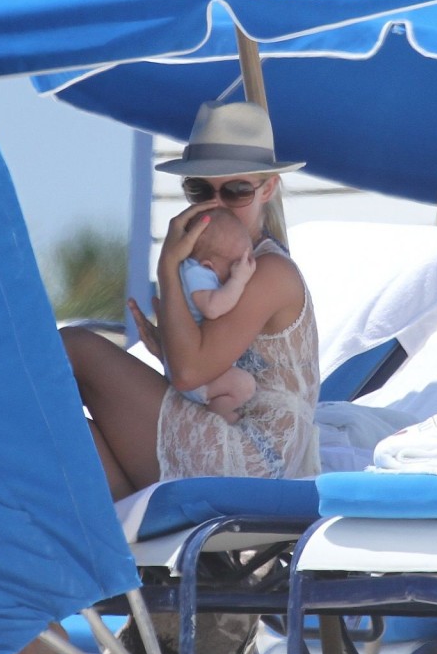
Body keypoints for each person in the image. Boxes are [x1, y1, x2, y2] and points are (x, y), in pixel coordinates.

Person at [60, 100, 321, 503]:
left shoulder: (268, 271)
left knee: (74, 346)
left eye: (235, 191)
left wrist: (168, 264)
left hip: (253, 462)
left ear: (267, 189)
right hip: (224, 438)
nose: (215, 205)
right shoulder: (210, 269)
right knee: (72, 436)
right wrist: (167, 346)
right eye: (200, 190)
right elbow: (193, 369)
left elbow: (187, 373)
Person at [169, 206, 256, 423]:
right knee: (244, 386)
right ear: (209, 266)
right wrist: (238, 281)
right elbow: (212, 308)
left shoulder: (194, 269)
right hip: (194, 372)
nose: (240, 270)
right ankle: (215, 420)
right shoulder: (197, 272)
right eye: (235, 266)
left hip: (189, 367)